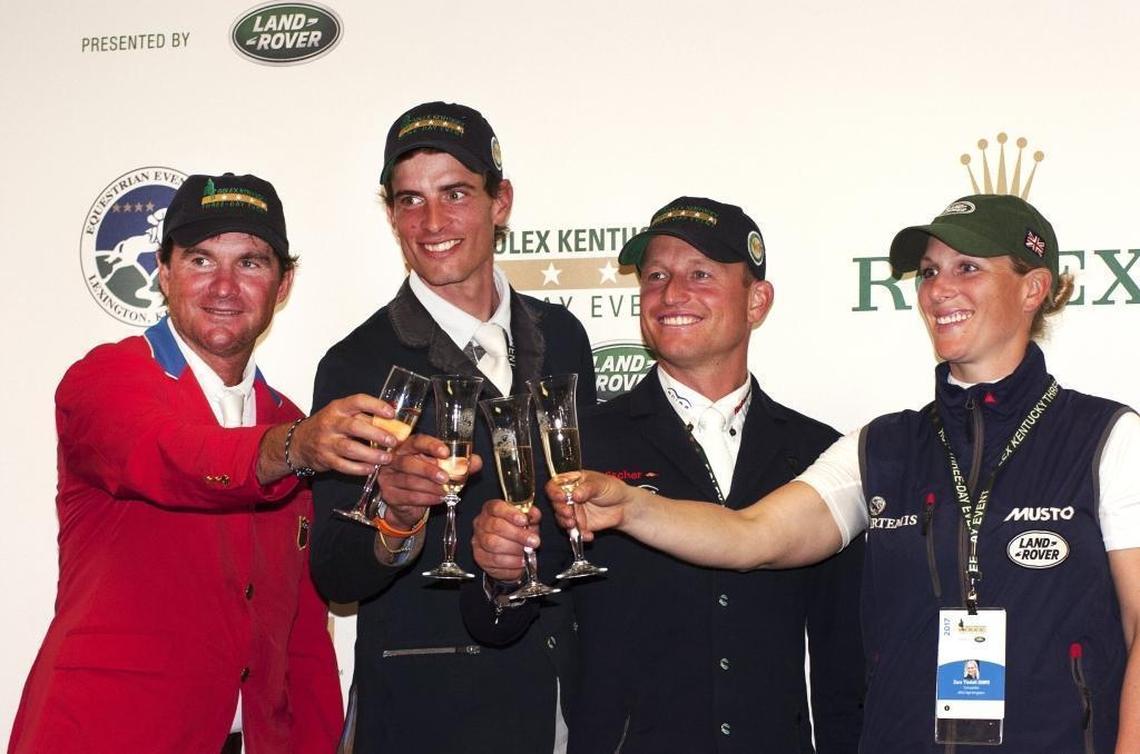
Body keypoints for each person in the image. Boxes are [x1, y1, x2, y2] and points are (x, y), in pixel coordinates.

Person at [543, 194, 1140, 752]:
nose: (939, 290)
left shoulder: (1107, 437)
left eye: (967, 268)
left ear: (1033, 287)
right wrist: (631, 506)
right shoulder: (879, 446)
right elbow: (752, 536)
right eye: (929, 272)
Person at [7, 172, 409, 753]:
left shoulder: (292, 418)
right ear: (163, 272)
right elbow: (169, 454)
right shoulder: (105, 380)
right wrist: (292, 447)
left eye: (250, 263)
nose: (224, 285)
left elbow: (301, 636)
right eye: (200, 260)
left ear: (284, 282)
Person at [472, 196, 865, 752]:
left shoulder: (817, 453)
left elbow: (840, 659)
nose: (671, 294)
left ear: (757, 301)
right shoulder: (576, 444)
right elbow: (499, 625)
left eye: (700, 274)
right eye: (656, 276)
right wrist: (499, 572)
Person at [308, 101, 597, 753]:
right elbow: (336, 574)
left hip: (569, 700)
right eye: (410, 200)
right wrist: (394, 513)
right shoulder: (357, 362)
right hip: (431, 713)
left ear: (502, 202)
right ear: (389, 215)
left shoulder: (564, 336)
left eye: (456, 193)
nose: (432, 222)